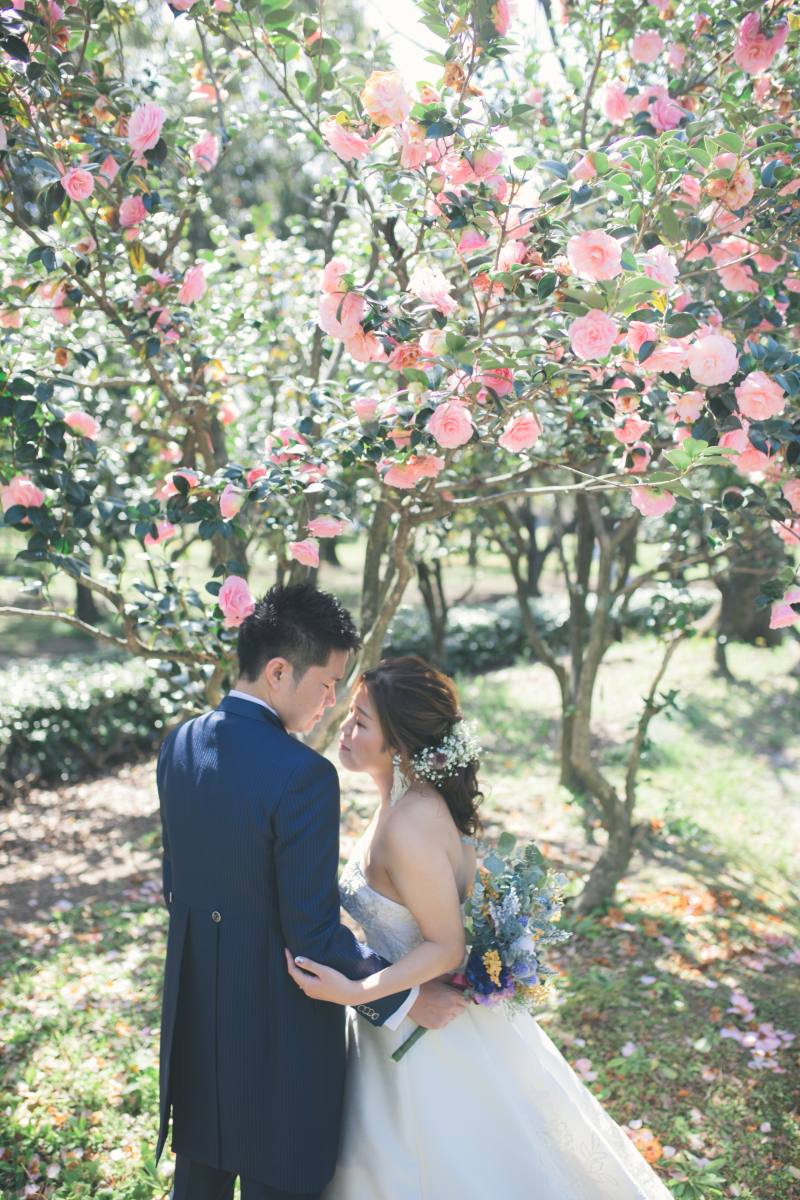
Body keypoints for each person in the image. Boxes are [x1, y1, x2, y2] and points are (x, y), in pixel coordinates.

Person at [287, 656, 673, 1200]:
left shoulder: (412, 825)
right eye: (350, 713)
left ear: (399, 746)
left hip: (428, 1036)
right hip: (401, 1020)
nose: (345, 728)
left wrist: (357, 989)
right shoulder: (399, 804)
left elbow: (448, 947)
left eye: (361, 721)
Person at [156, 587, 467, 1200]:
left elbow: (182, 886)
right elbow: (312, 931)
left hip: (196, 1020)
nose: (332, 702)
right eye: (328, 684)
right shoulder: (302, 774)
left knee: (199, 1181)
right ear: (279, 672)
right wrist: (402, 1003)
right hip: (280, 1036)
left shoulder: (180, 743)